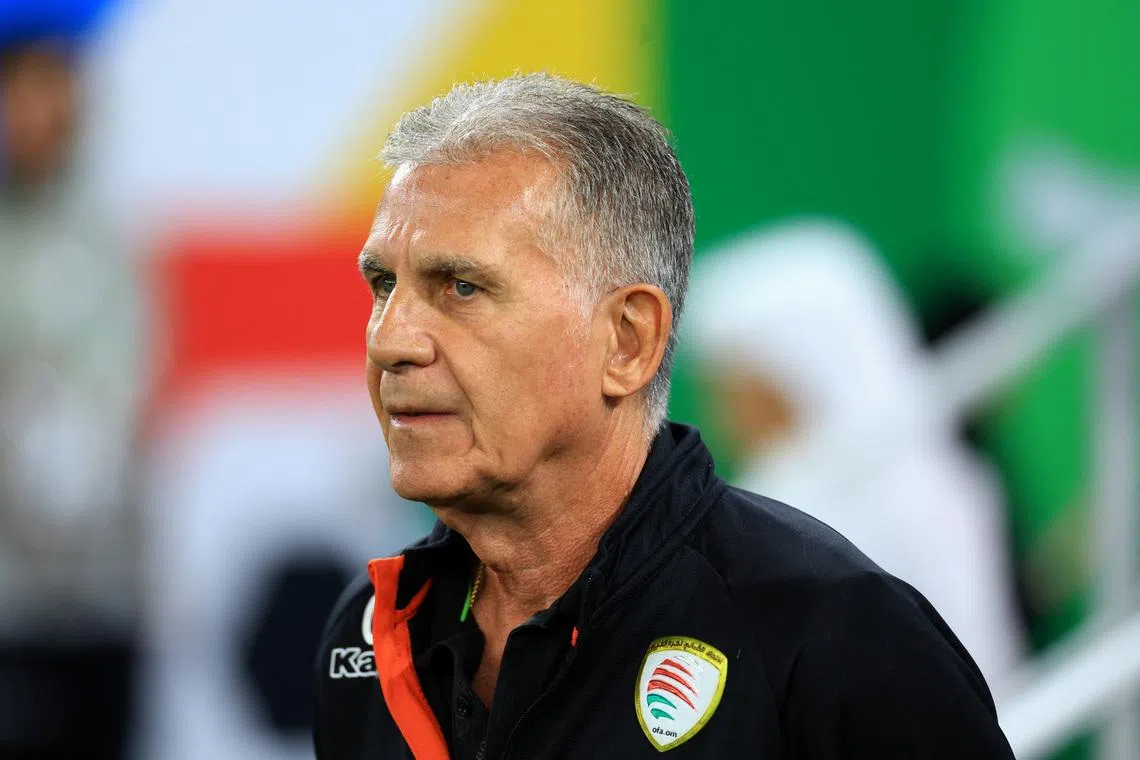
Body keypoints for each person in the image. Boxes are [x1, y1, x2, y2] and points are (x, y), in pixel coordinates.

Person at [313, 74, 1015, 759]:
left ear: (628, 341)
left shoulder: (837, 637)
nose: (389, 340)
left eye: (462, 286)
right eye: (383, 284)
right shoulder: (370, 633)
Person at [683, 220, 1026, 696]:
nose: (720, 415)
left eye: (730, 387)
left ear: (791, 371)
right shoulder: (774, 500)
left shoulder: (903, 499)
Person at [0, 7, 144, 758]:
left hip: (103, 600)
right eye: (21, 89)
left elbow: (130, 391)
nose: (40, 111)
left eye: (56, 88)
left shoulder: (112, 239)